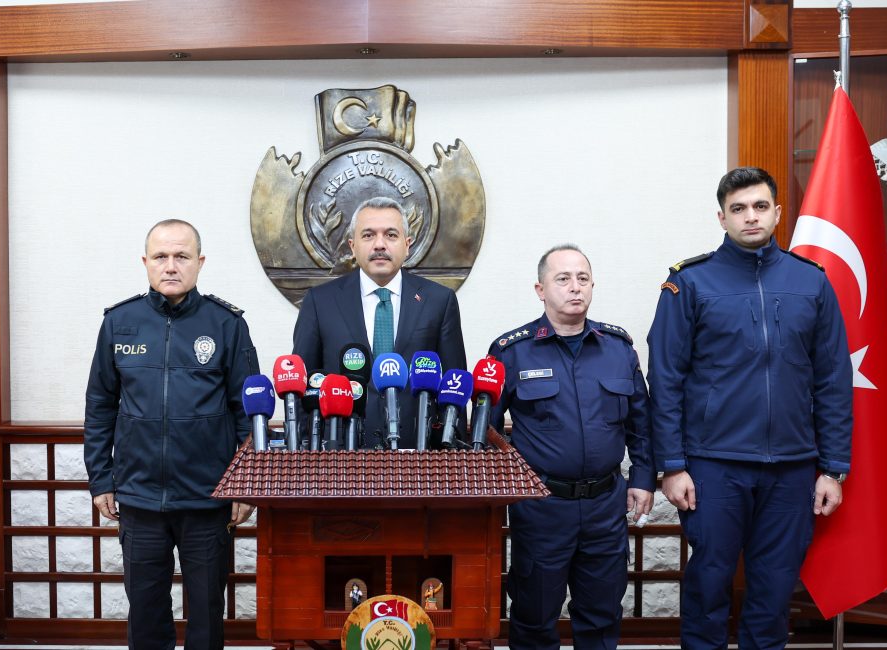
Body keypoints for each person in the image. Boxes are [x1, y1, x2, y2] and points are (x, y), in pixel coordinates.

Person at [647, 167, 853, 649]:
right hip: (713, 466)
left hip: (793, 468)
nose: (750, 217)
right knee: (708, 585)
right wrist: (672, 466)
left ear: (778, 212)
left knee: (774, 591)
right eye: (738, 209)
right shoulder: (690, 283)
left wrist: (834, 468)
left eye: (760, 206)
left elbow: (832, 381)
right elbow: (667, 380)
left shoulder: (812, 282)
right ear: (722, 217)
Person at [84, 219, 259, 650]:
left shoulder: (227, 324)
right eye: (160, 256)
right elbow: (100, 405)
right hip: (140, 498)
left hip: (206, 497)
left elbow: (249, 412)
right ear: (145, 262)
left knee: (205, 616)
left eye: (182, 256)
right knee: (145, 614)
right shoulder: (119, 323)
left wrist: (245, 485)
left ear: (199, 263)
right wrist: (101, 479)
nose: (171, 266)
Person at [488, 244, 654, 650]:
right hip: (542, 507)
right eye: (562, 279)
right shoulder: (511, 351)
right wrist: (502, 493)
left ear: (593, 285)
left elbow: (642, 424)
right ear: (540, 289)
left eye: (582, 278)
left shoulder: (617, 349)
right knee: (533, 616)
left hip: (605, 505)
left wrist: (645, 479)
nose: (574, 287)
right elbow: (485, 434)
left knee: (600, 617)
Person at [293, 196, 467, 448]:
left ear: (408, 245)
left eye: (391, 235)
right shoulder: (320, 302)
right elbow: (303, 388)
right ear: (352, 246)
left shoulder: (439, 301)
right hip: (340, 457)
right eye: (368, 235)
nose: (379, 244)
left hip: (418, 457)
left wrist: (451, 458)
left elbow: (455, 385)